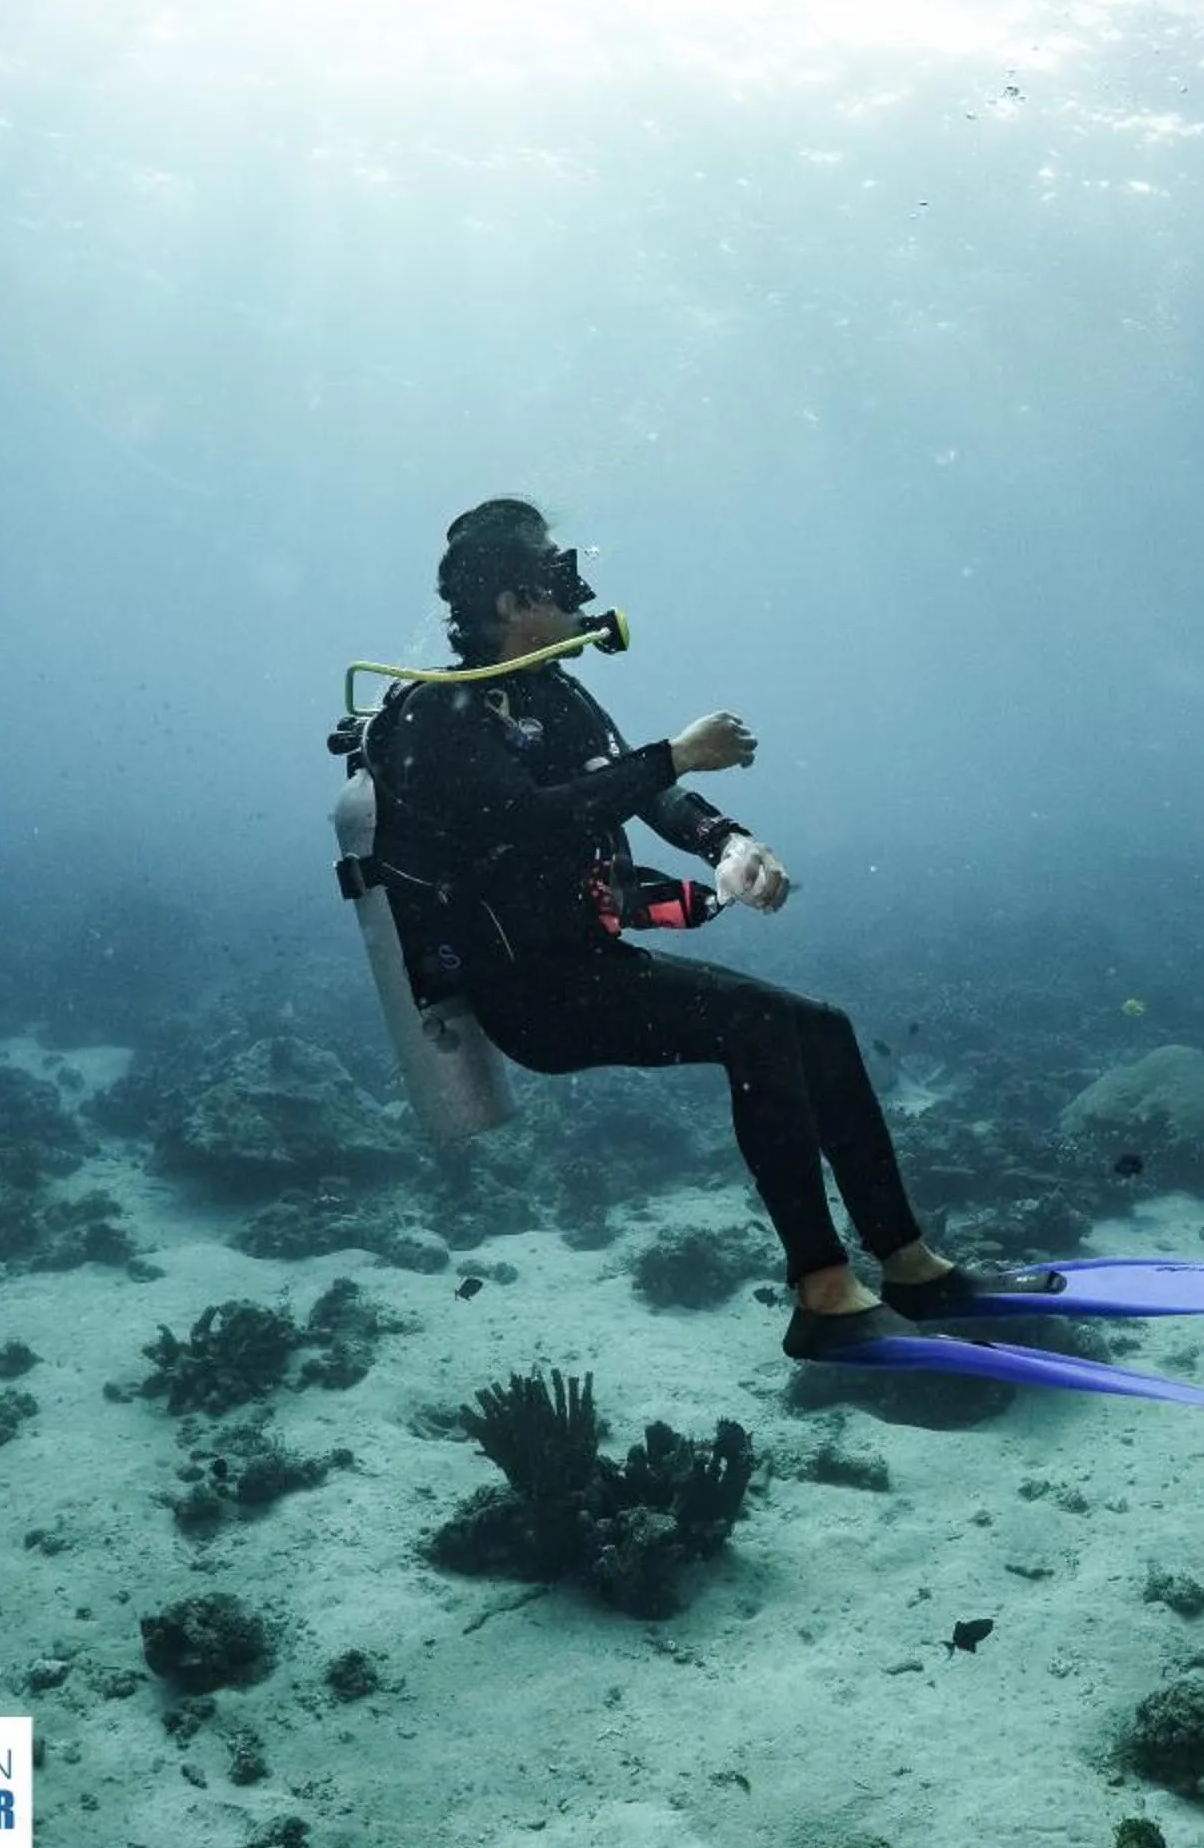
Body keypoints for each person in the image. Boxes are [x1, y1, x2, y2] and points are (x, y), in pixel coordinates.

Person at [361, 497, 981, 1366]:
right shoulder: (439, 717)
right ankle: (826, 1295)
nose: (578, 579)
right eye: (555, 565)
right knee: (759, 1027)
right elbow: (529, 821)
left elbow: (640, 792)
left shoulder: (553, 689)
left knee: (822, 1031)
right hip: (532, 995)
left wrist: (727, 840)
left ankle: (910, 1265)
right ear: (510, 601)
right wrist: (677, 753)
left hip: (590, 960)